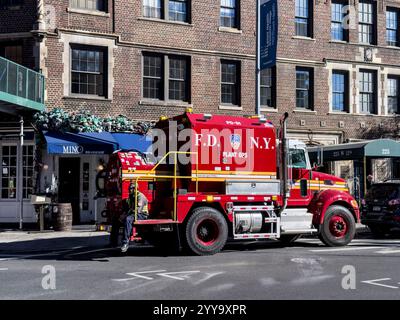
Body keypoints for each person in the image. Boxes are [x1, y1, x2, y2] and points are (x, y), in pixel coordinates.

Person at [120, 183, 149, 253]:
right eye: (129, 188)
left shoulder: (140, 196)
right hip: (134, 213)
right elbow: (129, 208)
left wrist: (127, 215)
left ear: (136, 189)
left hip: (142, 214)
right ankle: (113, 242)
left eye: (131, 188)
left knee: (128, 219)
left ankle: (125, 243)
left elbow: (138, 210)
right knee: (117, 220)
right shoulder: (131, 197)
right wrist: (123, 215)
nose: (130, 190)